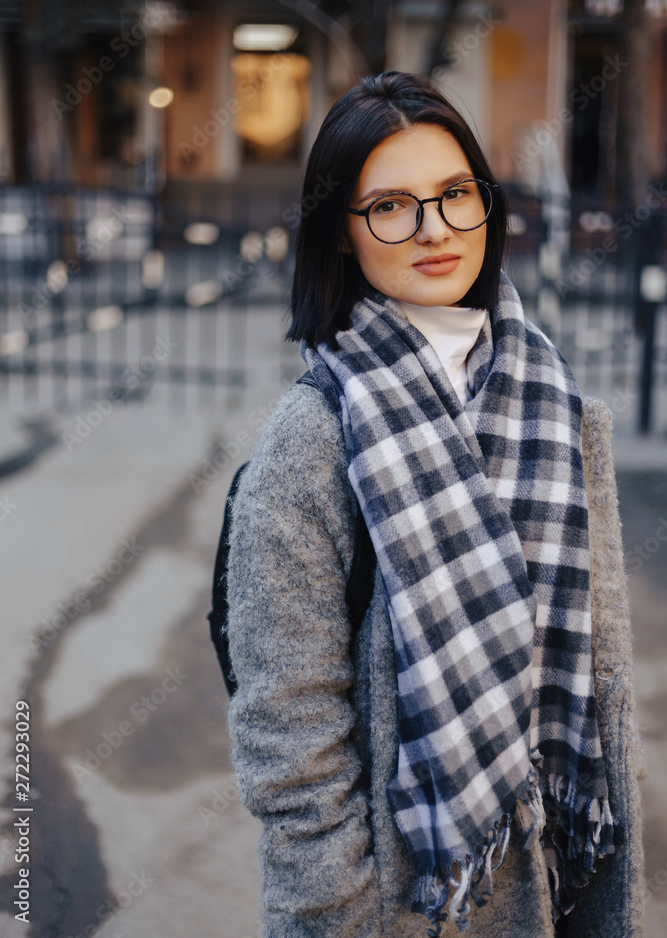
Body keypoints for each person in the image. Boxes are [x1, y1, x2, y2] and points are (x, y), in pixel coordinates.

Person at [226, 71, 645, 937]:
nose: (434, 230)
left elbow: (600, 687)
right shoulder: (313, 439)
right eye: (390, 206)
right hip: (408, 901)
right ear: (339, 234)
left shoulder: (554, 405)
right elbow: (289, 740)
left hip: (557, 873)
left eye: (456, 194)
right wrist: (334, 919)